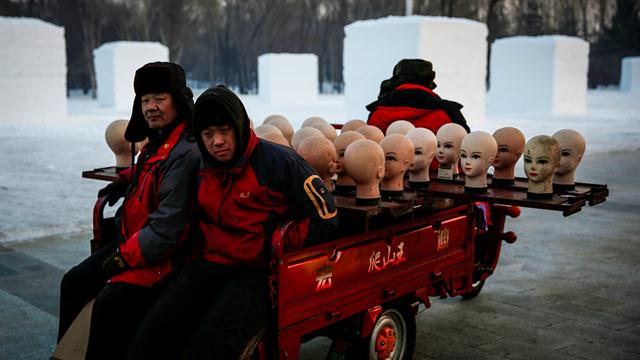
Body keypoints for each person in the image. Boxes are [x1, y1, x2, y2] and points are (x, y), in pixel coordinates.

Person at [126, 85, 338, 359]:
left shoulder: (278, 162)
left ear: (239, 125)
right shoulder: (200, 165)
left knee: (208, 348)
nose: (217, 141)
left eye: (224, 130)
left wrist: (271, 245)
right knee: (153, 331)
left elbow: (324, 217)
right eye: (208, 134)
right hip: (208, 262)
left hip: (254, 273)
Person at [57, 62, 200, 359]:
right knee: (72, 283)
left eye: (159, 98)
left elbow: (168, 228)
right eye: (145, 100)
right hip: (133, 239)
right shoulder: (158, 141)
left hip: (163, 256)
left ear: (177, 99)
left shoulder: (186, 151)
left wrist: (123, 258)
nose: (151, 107)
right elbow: (151, 173)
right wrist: (124, 179)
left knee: (110, 303)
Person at [366, 59, 470, 168]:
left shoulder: (376, 113)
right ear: (430, 80)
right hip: (445, 182)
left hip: (385, 183)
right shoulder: (448, 113)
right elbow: (468, 155)